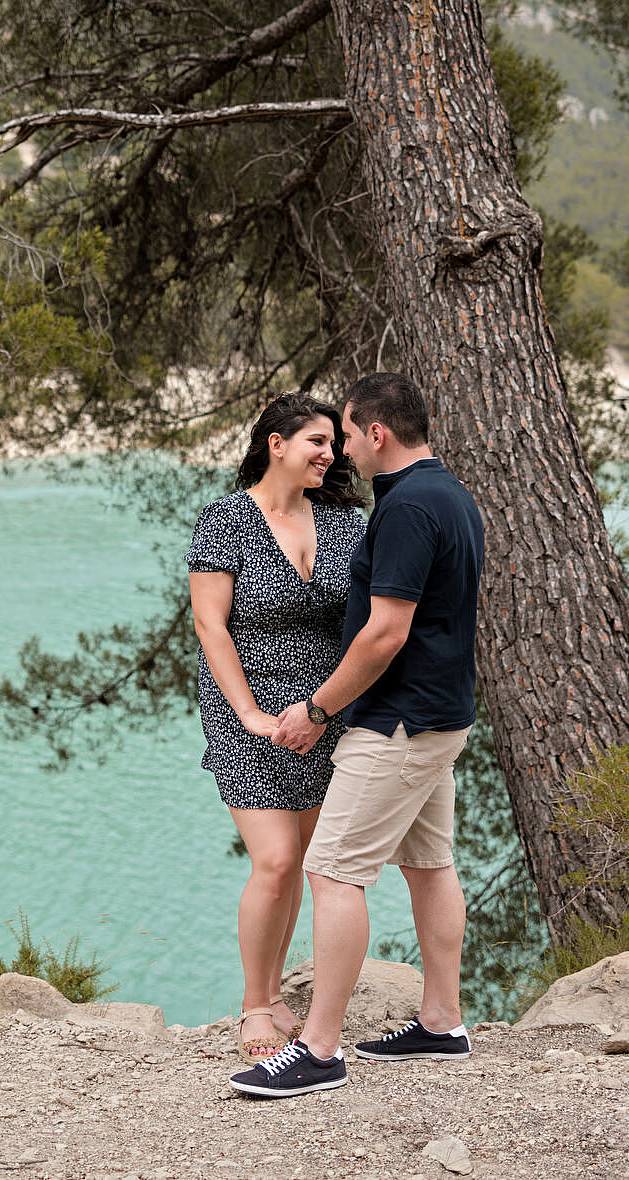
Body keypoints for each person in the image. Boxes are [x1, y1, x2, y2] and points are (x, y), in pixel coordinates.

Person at [227, 372, 485, 1099]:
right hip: (443, 716)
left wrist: (316, 708)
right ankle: (442, 1022)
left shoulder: (405, 509)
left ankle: (319, 1049)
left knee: (333, 871)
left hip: (397, 721)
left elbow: (386, 633)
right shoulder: (453, 495)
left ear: (377, 433)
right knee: (430, 864)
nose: (342, 449)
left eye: (345, 434)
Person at [186, 392, 367, 1062]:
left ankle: (277, 990)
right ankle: (255, 1005)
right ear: (276, 443)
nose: (330, 453)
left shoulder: (346, 523)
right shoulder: (227, 520)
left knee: (308, 863)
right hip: (247, 709)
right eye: (317, 441)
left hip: (323, 713)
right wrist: (250, 715)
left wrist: (326, 708)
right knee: (276, 859)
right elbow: (210, 625)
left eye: (333, 443)